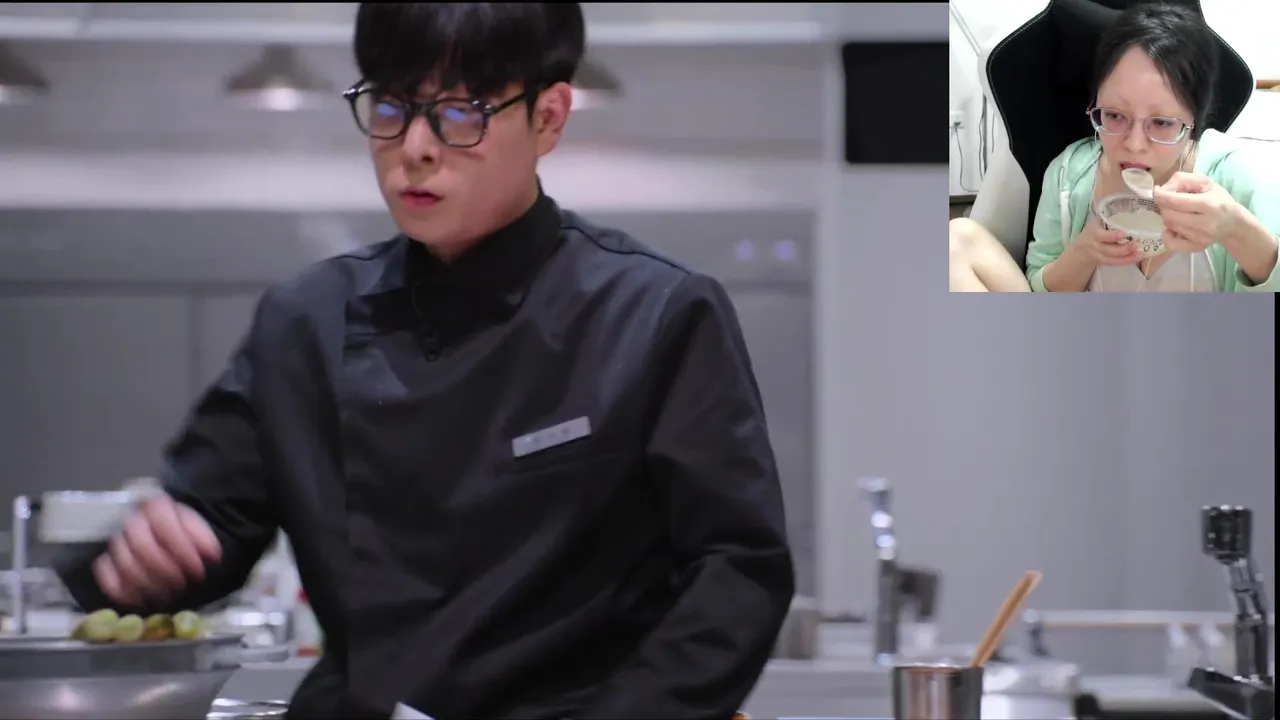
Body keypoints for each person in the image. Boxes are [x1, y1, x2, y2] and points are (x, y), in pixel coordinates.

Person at [53, 4, 795, 719]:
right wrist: (152, 557)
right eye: (391, 107)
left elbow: (737, 571)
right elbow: (202, 528)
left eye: (461, 113)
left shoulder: (655, 313)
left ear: (549, 117)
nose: (415, 147)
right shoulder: (305, 322)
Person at [949, 2, 1280, 292]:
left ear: (1194, 121)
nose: (1133, 145)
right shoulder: (1069, 175)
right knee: (956, 239)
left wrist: (1236, 230)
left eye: (1162, 123)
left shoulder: (1238, 178)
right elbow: (1038, 285)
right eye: (1114, 116)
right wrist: (1082, 253)